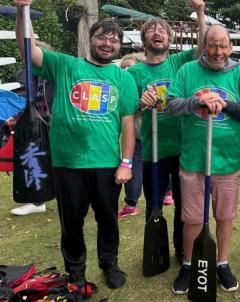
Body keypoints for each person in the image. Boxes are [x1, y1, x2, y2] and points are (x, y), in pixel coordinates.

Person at [15, 0, 138, 290]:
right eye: (102, 37)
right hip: (67, 162)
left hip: (107, 163)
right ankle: (76, 272)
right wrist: (22, 10)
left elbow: (128, 124)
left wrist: (127, 162)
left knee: (108, 221)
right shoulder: (66, 65)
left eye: (114, 39)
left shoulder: (124, 78)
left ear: (119, 46)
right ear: (90, 40)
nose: (108, 43)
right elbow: (26, 49)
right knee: (71, 224)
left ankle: (109, 265)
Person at [141, 24, 240, 295]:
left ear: (230, 47)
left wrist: (225, 104)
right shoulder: (187, 71)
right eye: (212, 45)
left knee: (224, 216)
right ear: (204, 46)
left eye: (223, 45)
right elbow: (171, 105)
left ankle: (222, 263)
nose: (218, 51)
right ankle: (188, 263)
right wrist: (197, 103)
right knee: (192, 217)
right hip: (194, 160)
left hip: (226, 161)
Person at [127, 2, 206, 257]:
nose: (157, 33)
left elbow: (202, 46)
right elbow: (128, 113)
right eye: (152, 30)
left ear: (169, 39)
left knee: (185, 204)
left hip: (182, 149)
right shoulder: (134, 72)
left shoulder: (178, 64)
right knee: (154, 203)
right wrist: (141, 103)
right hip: (153, 151)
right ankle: (156, 250)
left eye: (162, 29)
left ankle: (183, 248)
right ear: (144, 39)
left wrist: (201, 13)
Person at [10, 40, 54, 216]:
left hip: (56, 124)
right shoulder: (30, 77)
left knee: (59, 163)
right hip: (38, 125)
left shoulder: (55, 75)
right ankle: (37, 200)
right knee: (36, 159)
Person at [117, 53, 145, 218]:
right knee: (133, 169)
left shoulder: (147, 82)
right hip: (135, 136)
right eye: (124, 67)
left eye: (131, 66)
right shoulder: (122, 87)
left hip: (156, 135)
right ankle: (131, 204)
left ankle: (168, 192)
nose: (128, 70)